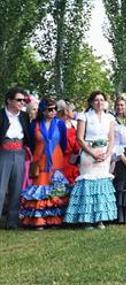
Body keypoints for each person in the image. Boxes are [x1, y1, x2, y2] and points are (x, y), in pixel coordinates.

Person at [64, 91, 117, 229]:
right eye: (96, 100)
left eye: (102, 100)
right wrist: (93, 153)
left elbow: (111, 138)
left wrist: (107, 154)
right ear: (91, 102)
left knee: (101, 185)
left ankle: (100, 219)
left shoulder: (110, 118)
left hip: (104, 154)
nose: (99, 102)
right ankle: (87, 219)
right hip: (89, 154)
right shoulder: (84, 116)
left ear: (105, 102)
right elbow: (79, 138)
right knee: (88, 184)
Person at [19, 98, 70, 228]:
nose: (53, 112)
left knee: (56, 189)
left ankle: (55, 219)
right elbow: (30, 143)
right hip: (39, 160)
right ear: (42, 110)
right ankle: (38, 220)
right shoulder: (34, 125)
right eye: (50, 109)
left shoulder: (60, 124)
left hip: (56, 159)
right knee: (40, 187)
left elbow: (64, 143)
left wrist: (55, 153)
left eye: (55, 109)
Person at [1, 88, 33, 229]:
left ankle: (12, 221)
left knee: (16, 188)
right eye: (19, 100)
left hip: (19, 152)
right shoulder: (1, 115)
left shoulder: (24, 116)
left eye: (24, 100)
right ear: (9, 100)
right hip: (3, 152)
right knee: (1, 189)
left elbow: (28, 135)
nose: (22, 103)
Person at [57, 100, 80, 182]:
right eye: (72, 110)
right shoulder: (58, 124)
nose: (74, 112)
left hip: (73, 159)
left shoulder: (75, 124)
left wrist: (76, 154)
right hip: (61, 159)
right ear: (66, 111)